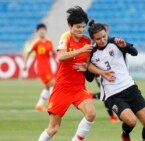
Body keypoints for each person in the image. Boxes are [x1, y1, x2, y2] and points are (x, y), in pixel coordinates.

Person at [38, 6, 113, 141]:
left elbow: (88, 63)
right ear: (70, 26)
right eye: (77, 27)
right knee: (53, 129)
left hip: (78, 87)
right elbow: (61, 57)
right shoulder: (65, 37)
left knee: (91, 114)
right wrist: (81, 50)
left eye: (83, 27)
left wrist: (99, 71)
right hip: (62, 87)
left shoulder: (86, 41)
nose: (80, 30)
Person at [85, 20, 145, 141]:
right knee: (131, 121)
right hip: (113, 94)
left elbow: (135, 52)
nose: (102, 40)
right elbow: (89, 79)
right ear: (93, 39)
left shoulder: (116, 42)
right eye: (98, 39)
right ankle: (125, 134)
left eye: (104, 36)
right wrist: (87, 68)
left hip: (130, 87)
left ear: (106, 33)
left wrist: (125, 46)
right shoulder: (91, 53)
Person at [24, 23, 56, 111]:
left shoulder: (49, 42)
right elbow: (28, 53)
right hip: (41, 68)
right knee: (53, 84)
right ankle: (53, 104)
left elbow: (54, 52)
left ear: (45, 31)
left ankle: (39, 105)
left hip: (49, 67)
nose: (42, 31)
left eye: (43, 30)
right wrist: (25, 65)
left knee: (48, 87)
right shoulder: (36, 43)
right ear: (38, 32)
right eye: (40, 30)